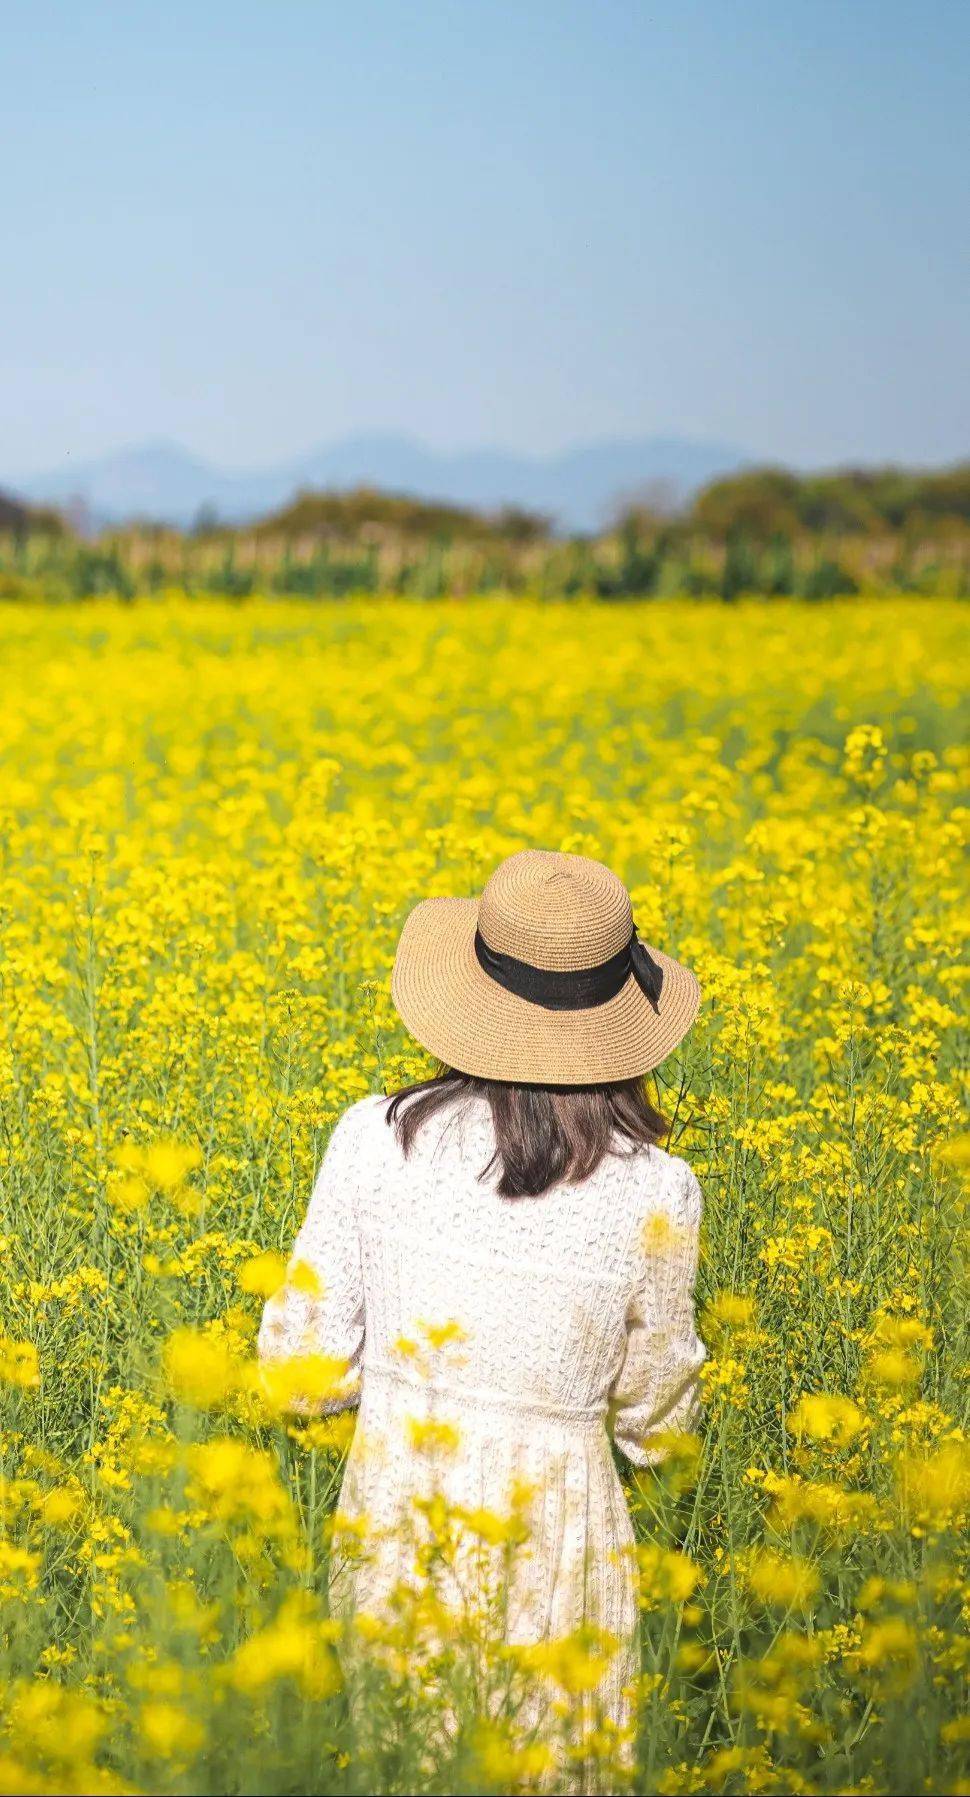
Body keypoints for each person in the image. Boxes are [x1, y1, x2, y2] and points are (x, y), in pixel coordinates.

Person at [258, 848, 705, 1757]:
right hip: (567, 1558)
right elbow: (658, 1426)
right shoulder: (661, 1190)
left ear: (467, 998)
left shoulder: (369, 1142)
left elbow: (298, 1372)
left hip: (398, 1530)